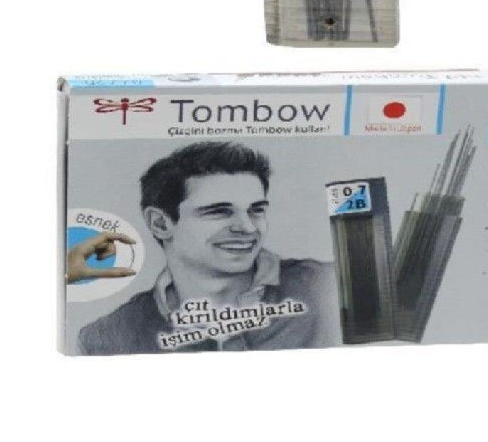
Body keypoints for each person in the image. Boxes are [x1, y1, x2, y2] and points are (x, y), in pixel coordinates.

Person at [77, 141, 340, 354]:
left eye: (256, 210)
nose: (248, 228)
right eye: (219, 212)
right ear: (160, 223)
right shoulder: (108, 337)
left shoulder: (328, 287)